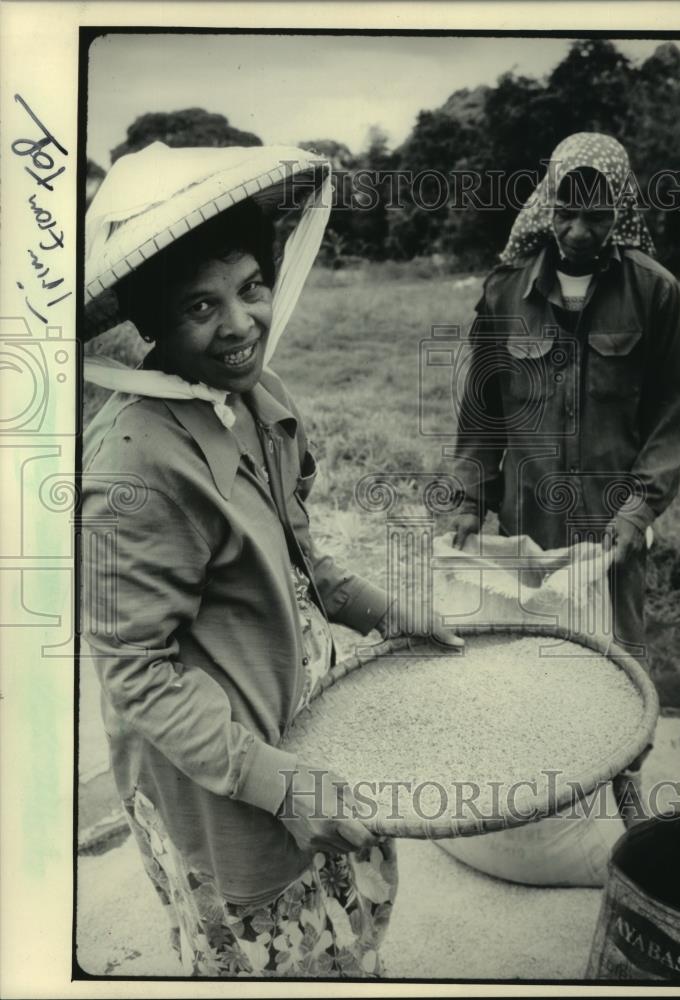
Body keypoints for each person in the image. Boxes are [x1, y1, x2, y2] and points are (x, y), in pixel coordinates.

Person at [80, 142, 461, 978]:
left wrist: (386, 610)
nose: (239, 322)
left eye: (250, 287)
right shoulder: (131, 469)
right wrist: (282, 787)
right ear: (150, 324)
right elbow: (136, 674)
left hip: (300, 715)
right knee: (271, 951)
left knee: (344, 925)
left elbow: (299, 557)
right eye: (198, 307)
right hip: (220, 769)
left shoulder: (258, 394)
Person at [450, 132, 680, 666]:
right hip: (526, 535)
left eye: (598, 216)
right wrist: (471, 500)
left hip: (612, 541)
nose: (579, 232)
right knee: (527, 678)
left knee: (616, 680)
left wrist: (636, 512)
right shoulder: (504, 291)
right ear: (547, 201)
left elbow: (669, 421)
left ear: (622, 209)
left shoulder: (655, 293)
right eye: (567, 212)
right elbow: (482, 412)